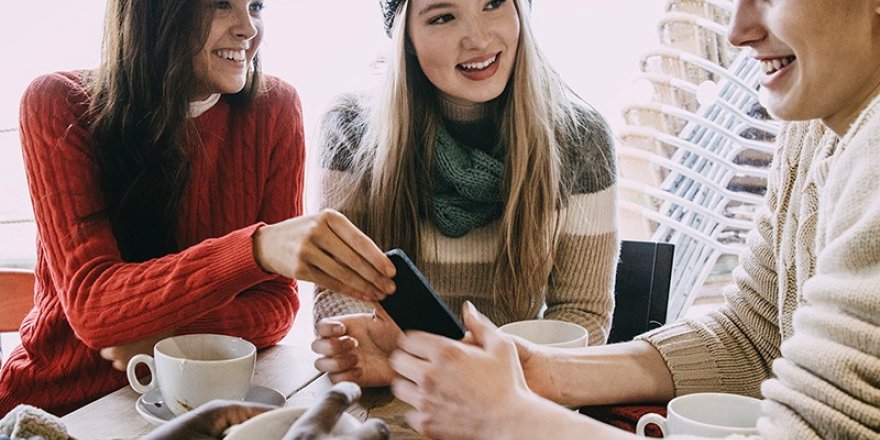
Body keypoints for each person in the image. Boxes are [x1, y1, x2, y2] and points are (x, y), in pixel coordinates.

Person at [388, 0, 880, 438]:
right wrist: (539, 372)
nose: (738, 31)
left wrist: (511, 418)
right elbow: (752, 339)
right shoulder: (814, 128)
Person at [0, 0, 395, 417]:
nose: (248, 29)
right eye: (220, 5)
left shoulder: (274, 108)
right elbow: (95, 309)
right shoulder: (59, 103)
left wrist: (165, 334)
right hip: (53, 409)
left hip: (193, 409)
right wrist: (255, 249)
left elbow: (277, 307)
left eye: (256, 5)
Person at [311, 0, 620, 388]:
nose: (478, 38)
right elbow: (339, 298)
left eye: (493, 3)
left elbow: (581, 316)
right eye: (443, 17)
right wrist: (371, 351)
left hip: (517, 398)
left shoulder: (581, 138)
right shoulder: (351, 130)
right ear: (405, 38)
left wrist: (466, 375)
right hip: (394, 391)